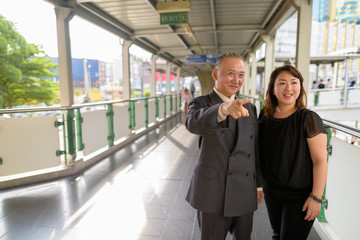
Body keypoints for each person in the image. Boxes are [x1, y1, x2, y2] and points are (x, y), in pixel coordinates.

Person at [185, 52, 264, 240]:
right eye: (230, 73)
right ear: (215, 75)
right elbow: (192, 123)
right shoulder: (201, 103)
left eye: (241, 75)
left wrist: (259, 185)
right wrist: (222, 110)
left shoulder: (250, 108)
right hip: (213, 191)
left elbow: (254, 149)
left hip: (244, 189)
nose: (236, 80)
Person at [258, 65, 328, 240]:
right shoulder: (265, 116)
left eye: (294, 82)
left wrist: (316, 198)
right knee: (277, 234)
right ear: (273, 89)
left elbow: (320, 161)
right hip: (272, 190)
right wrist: (259, 184)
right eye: (282, 83)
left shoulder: (308, 119)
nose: (288, 88)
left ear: (300, 87)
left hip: (300, 194)